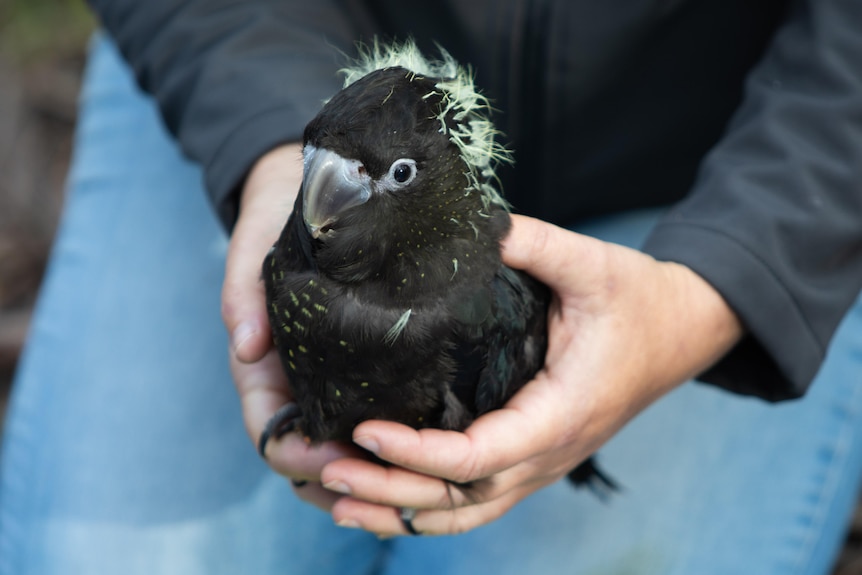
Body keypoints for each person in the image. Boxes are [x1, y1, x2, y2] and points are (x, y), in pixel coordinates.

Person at [2, 0, 862, 573]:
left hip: (746, 170)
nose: (325, 198)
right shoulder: (313, 182)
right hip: (256, 64)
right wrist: (264, 146)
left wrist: (721, 285)